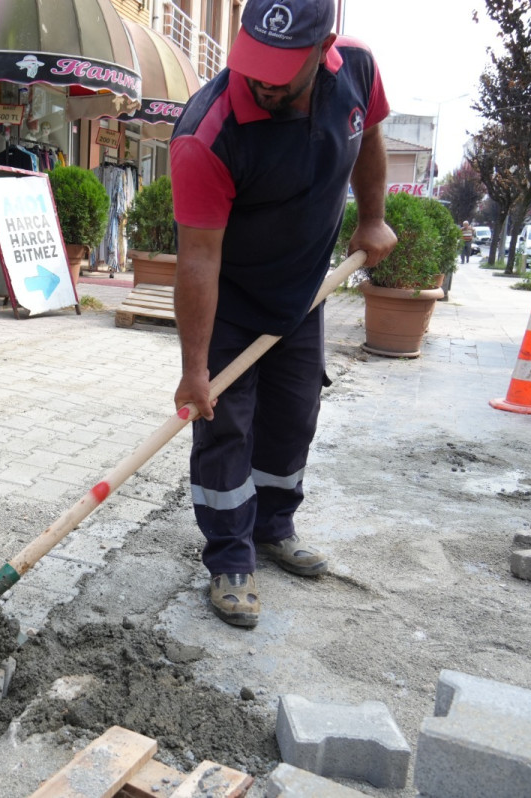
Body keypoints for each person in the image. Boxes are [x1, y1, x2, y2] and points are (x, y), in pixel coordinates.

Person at [169, 0, 397, 628]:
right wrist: (194, 369)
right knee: (227, 430)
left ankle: (273, 528)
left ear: (322, 47)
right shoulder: (207, 134)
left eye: (280, 69)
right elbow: (198, 261)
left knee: (293, 418)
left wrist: (371, 218)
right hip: (229, 301)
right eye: (254, 64)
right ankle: (230, 558)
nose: (263, 81)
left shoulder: (356, 70)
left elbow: (369, 136)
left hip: (303, 293)